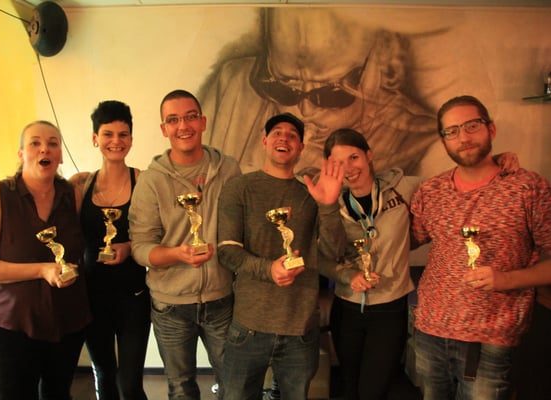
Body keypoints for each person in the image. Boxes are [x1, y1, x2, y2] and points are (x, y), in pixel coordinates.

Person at [409, 95, 551, 400]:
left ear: (491, 129)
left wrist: (507, 279)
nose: (463, 137)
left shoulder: (528, 187)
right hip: (430, 329)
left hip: (491, 337)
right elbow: (402, 242)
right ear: (443, 141)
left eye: (471, 126)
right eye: (452, 131)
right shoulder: (431, 191)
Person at [200, 8, 438, 176]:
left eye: (328, 93)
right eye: (284, 88)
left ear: (382, 66)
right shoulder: (234, 87)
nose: (303, 110)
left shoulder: (422, 146)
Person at [216, 112, 346, 400]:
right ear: (264, 141)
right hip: (249, 326)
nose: (284, 138)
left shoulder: (311, 195)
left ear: (300, 147)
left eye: (292, 135)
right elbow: (227, 251)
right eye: (277, 132)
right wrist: (268, 269)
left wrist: (328, 205)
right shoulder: (240, 187)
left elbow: (333, 252)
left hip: (300, 329)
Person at [128, 89, 241, 400]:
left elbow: (242, 226)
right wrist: (177, 254)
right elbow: (140, 247)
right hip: (170, 306)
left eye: (190, 117)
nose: (183, 126)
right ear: (164, 129)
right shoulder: (151, 181)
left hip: (222, 299)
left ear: (202, 122)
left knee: (235, 385)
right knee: (181, 389)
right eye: (173, 120)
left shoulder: (229, 170)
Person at [0, 120, 91, 400]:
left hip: (67, 324)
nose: (44, 149)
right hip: (11, 328)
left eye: (52, 144)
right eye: (35, 143)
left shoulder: (73, 195)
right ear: (21, 154)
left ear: (60, 156)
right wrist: (42, 270)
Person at [319, 128, 421, 400]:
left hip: (390, 308)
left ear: (369, 155)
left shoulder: (404, 188)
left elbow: (453, 183)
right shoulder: (330, 203)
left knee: (373, 391)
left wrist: (497, 161)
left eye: (354, 157)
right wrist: (347, 276)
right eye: (339, 163)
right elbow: (322, 257)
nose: (349, 168)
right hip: (347, 308)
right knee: (350, 387)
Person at [69, 100, 151, 400]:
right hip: (92, 297)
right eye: (108, 134)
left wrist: (128, 247)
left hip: (134, 297)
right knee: (104, 375)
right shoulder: (80, 184)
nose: (116, 141)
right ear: (95, 138)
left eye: (123, 134)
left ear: (131, 138)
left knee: (130, 383)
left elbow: (158, 234)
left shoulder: (143, 180)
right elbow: (39, 193)